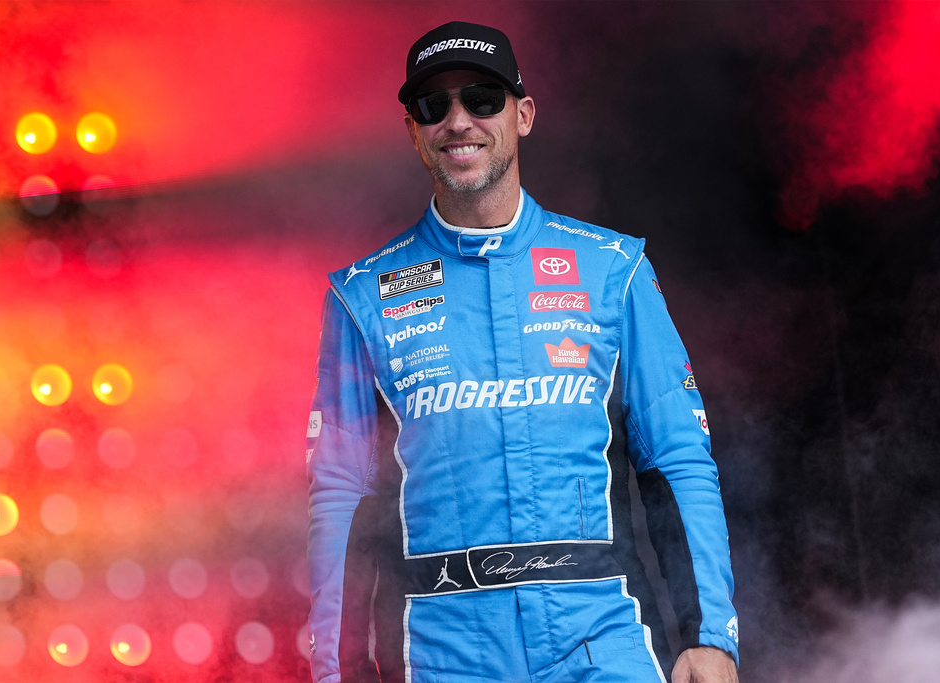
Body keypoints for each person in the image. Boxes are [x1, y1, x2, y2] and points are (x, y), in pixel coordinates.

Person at [306, 21, 740, 683]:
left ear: (523, 114)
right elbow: (341, 495)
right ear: (413, 129)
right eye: (434, 105)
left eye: (482, 98)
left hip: (606, 638)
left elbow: (676, 458)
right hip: (442, 652)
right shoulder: (361, 298)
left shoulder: (613, 268)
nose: (459, 121)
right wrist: (334, 671)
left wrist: (709, 635)